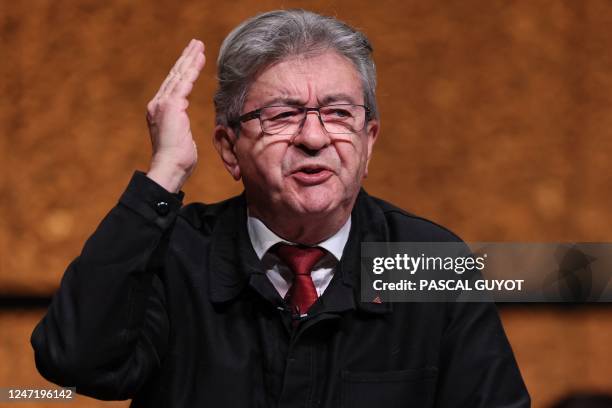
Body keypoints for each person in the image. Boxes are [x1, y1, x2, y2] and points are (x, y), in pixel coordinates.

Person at [31, 9, 530, 407]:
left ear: (369, 141)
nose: (314, 136)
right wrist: (165, 173)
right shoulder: (178, 252)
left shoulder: (428, 262)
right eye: (282, 115)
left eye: (338, 113)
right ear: (229, 148)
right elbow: (75, 360)